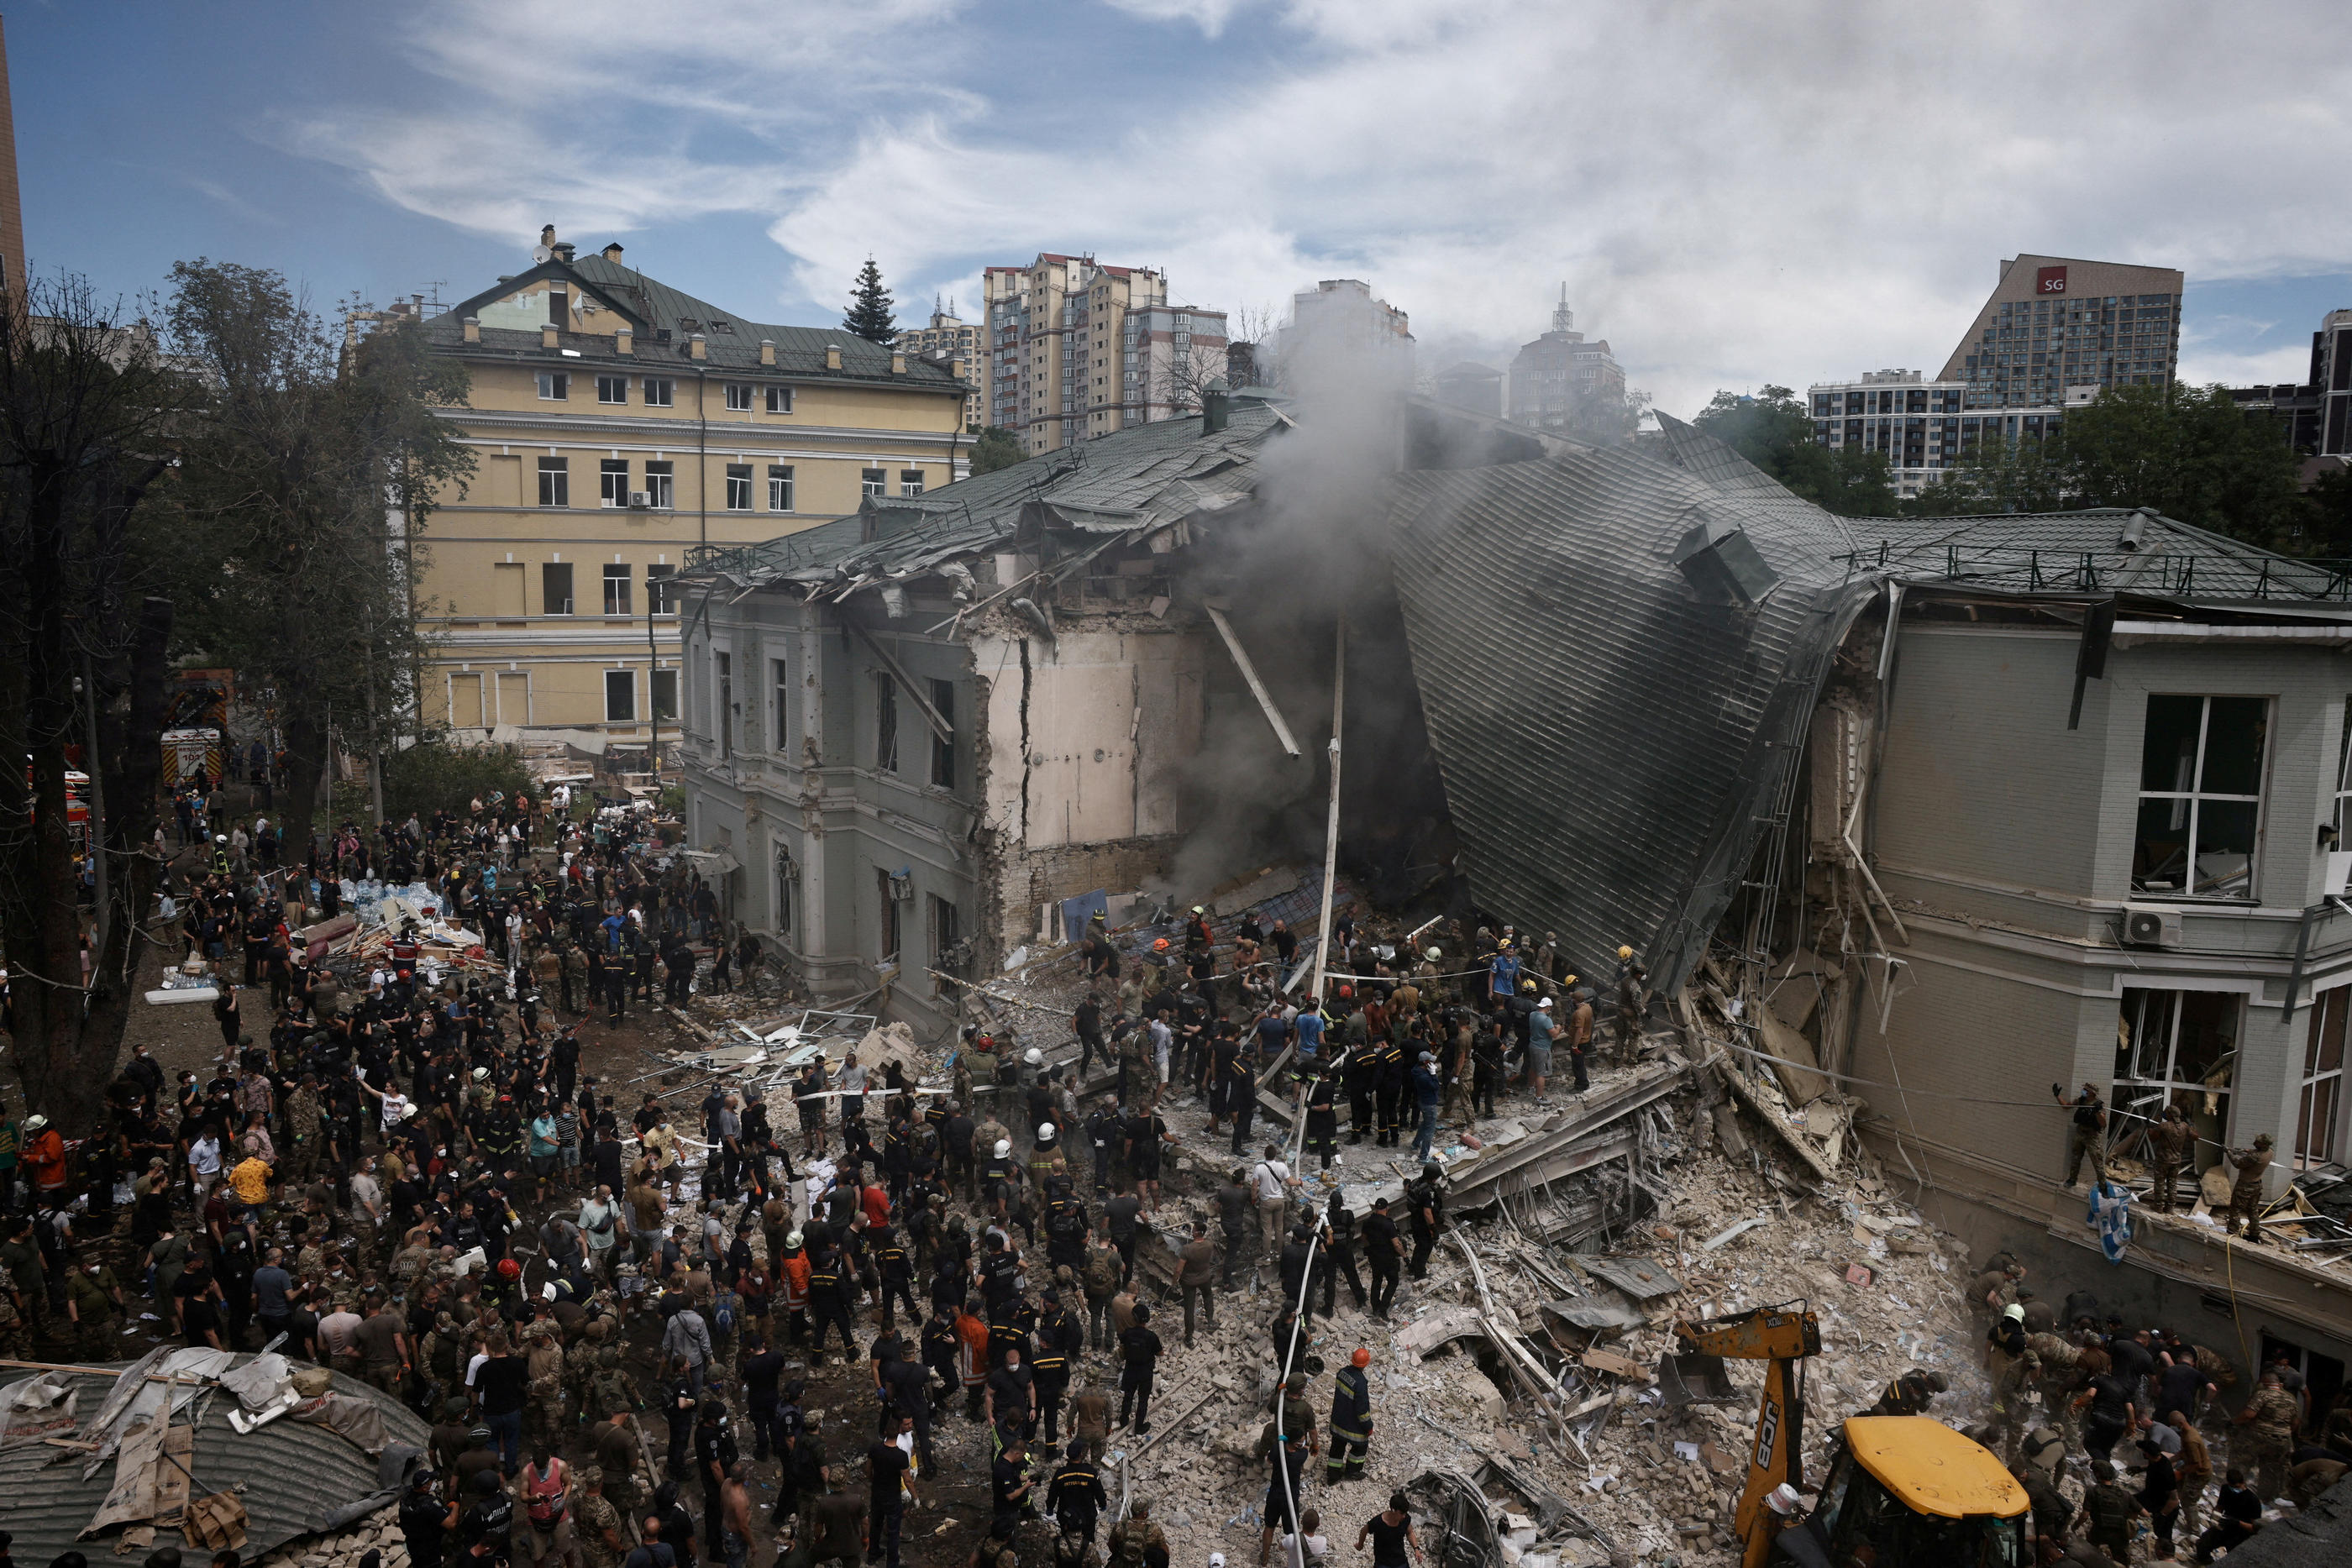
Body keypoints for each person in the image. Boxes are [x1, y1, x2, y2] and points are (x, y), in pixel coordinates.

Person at [2234, 1370, 2300, 1502]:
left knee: (2241, 1461)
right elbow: (2296, 1423)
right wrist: (2283, 1431)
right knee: (2270, 1470)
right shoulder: (2291, 1399)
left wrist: (2234, 1422)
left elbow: (2249, 1415)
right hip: (2282, 1441)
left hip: (2258, 1437)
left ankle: (2235, 1491)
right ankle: (2264, 1499)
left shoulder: (2262, 1394)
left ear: (2265, 1382)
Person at [866, 1416, 915, 1568]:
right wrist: (916, 1497)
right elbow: (907, 1480)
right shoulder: (900, 1456)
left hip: (877, 1493)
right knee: (894, 1531)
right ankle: (892, 1563)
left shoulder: (875, 1449)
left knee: (876, 1524)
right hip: (892, 1496)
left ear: (885, 1431)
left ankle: (872, 1554)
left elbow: (867, 1470)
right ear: (899, 1432)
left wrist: (873, 1481)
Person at [2190, 1467, 2260, 1563]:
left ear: (2243, 1483)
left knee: (2236, 1558)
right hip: (2225, 1525)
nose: (2235, 1490)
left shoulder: (2252, 1500)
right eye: (2233, 1487)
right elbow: (2219, 1507)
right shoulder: (2226, 1489)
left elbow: (2255, 1528)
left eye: (2238, 1487)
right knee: (2203, 1543)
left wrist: (2237, 1523)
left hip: (2242, 1532)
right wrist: (2215, 1517)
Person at [1326, 1347, 1373, 1483]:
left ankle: (1333, 1475)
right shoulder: (1360, 1383)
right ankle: (1352, 1471)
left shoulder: (1342, 1373)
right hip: (1351, 1426)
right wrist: (1368, 1426)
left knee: (1337, 1447)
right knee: (1361, 1446)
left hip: (1337, 1421)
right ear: (1365, 1364)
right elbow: (1362, 1411)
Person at [399, 1468, 459, 1568]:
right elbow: (451, 1524)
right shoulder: (429, 1504)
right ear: (424, 1488)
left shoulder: (406, 1498)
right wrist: (456, 1505)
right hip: (429, 1548)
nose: (433, 1483)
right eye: (431, 1482)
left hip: (413, 1543)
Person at [1118, 1302, 1162, 1435]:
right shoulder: (1151, 1336)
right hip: (1145, 1372)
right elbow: (1160, 1353)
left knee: (1128, 1396)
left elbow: (1122, 1346)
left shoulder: (1127, 1333)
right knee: (1143, 1399)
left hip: (1130, 1369)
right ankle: (1139, 1426)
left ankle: (1123, 1421)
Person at [2053, 1082, 2108, 1188]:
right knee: (2076, 1158)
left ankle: (2103, 1186)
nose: (2083, 1091)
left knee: (2097, 1162)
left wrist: (2097, 1112)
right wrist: (2057, 1096)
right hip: (2080, 1133)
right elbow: (2066, 1106)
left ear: (2092, 1093)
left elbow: (2103, 1123)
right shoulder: (2081, 1100)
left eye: (2086, 1090)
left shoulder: (2098, 1105)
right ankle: (2072, 1180)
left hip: (2091, 1136)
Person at [2224, 1135, 2274, 1243]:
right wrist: (2245, 1150)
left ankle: (2232, 1232)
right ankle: (2254, 1234)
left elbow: (2237, 1163)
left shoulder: (2255, 1157)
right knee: (2253, 1210)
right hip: (2257, 1186)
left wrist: (2229, 1152)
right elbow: (2255, 1152)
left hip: (2245, 1186)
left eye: (2258, 1142)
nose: (2255, 1142)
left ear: (2263, 1144)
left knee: (2236, 1208)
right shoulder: (2270, 1152)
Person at [1356, 1494, 1423, 1568]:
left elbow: (1410, 1532)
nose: (1404, 1516)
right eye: (1401, 1513)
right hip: (1383, 1563)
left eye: (1405, 1513)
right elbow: (1363, 1530)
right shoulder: (1377, 1522)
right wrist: (1360, 1545)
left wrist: (1416, 1549)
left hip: (1400, 1561)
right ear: (1393, 1510)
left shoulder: (1405, 1519)